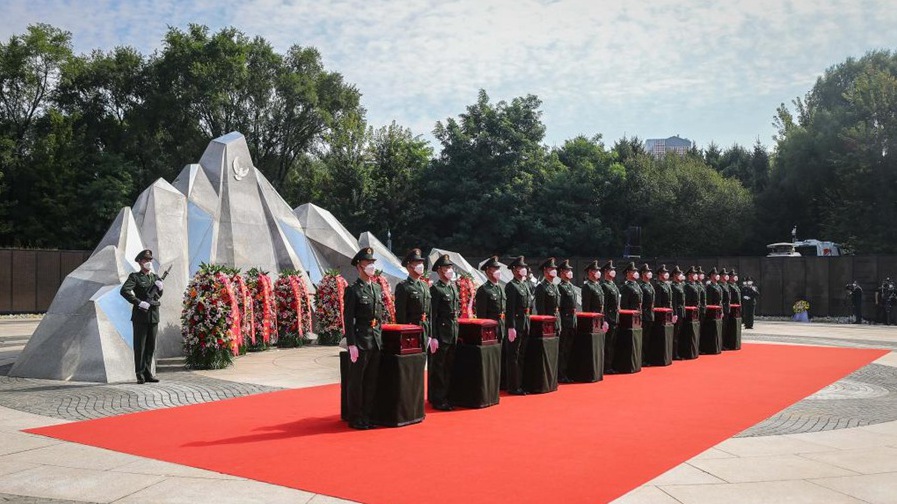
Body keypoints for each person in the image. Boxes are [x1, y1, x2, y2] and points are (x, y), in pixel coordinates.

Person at [343, 247, 386, 429]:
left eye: (372, 263)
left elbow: (380, 316)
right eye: (368, 263)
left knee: (371, 381)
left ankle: (367, 415)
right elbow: (348, 319)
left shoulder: (376, 287)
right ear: (359, 266)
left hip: (375, 340)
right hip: (361, 340)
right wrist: (351, 344)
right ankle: (355, 417)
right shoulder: (353, 290)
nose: (371, 266)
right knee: (357, 381)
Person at [120, 249, 164, 384]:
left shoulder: (155, 277)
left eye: (150, 260)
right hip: (140, 316)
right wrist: (138, 302)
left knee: (150, 346)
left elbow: (158, 296)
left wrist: (160, 288)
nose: (149, 262)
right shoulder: (135, 277)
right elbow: (124, 291)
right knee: (140, 346)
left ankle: (148, 373)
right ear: (140, 262)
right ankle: (139, 373)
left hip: (154, 316)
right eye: (146, 260)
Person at [428, 254, 461, 411]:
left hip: (452, 331)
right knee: (439, 367)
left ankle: (447, 396)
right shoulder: (436, 289)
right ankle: (438, 398)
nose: (450, 270)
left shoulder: (452, 287)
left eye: (450, 267)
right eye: (447, 268)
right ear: (440, 270)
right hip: (441, 333)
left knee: (449, 366)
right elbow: (432, 314)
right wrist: (433, 336)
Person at [475, 256, 507, 382]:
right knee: (492, 356)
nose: (498, 271)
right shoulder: (484, 290)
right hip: (490, 329)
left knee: (501, 355)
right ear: (488, 271)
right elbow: (481, 315)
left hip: (501, 326)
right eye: (495, 269)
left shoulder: (500, 288)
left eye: (498, 268)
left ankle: (500, 382)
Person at [505, 256, 534, 394]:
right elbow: (510, 308)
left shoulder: (525, 284)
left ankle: (520, 383)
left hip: (525, 323)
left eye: (524, 267)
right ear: (515, 270)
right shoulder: (512, 286)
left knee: (521, 355)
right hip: (516, 324)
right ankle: (514, 386)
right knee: (514, 356)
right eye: (521, 267)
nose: (524, 270)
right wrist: (511, 326)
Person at [394, 248, 431, 349]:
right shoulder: (403, 286)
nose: (421, 265)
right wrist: (404, 333)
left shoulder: (425, 285)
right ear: (409, 266)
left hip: (425, 328)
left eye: (421, 262)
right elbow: (400, 313)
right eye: (417, 263)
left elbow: (429, 312)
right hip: (411, 328)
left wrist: (431, 334)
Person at [556, 260, 578, 383]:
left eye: (570, 270)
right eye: (567, 270)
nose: (570, 272)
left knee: (569, 349)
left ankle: (567, 372)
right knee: (563, 349)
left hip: (572, 321)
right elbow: (559, 308)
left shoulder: (570, 286)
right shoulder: (561, 287)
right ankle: (561, 374)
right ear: (561, 273)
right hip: (565, 321)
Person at [600, 261, 620, 374]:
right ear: (606, 272)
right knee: (607, 344)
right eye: (611, 270)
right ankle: (606, 366)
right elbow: (605, 305)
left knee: (612, 344)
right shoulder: (604, 286)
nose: (613, 272)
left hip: (615, 318)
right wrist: (605, 320)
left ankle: (611, 364)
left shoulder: (613, 285)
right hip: (609, 318)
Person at [637, 264, 655, 365]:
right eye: (647, 272)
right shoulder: (642, 287)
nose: (649, 273)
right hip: (644, 315)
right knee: (643, 339)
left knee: (648, 339)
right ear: (643, 274)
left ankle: (647, 358)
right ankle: (642, 359)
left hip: (650, 315)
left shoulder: (650, 286)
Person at [670, 266, 686, 359]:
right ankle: (674, 354)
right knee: (675, 335)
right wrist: (675, 313)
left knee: (679, 334)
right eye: (679, 274)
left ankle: (678, 352)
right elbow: (674, 301)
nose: (680, 275)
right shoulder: (673, 286)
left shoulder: (680, 285)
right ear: (675, 275)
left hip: (681, 311)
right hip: (677, 312)